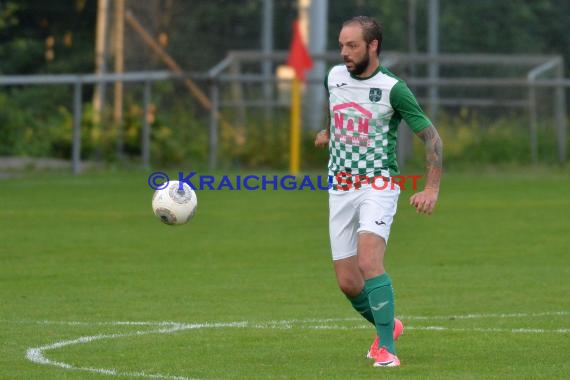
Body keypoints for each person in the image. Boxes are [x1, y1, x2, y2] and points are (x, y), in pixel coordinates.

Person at [314, 16, 443, 368]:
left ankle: (386, 349)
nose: (344, 52)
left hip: (378, 183)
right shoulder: (334, 77)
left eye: (352, 45)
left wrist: (430, 187)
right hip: (339, 186)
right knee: (347, 282)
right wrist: (329, 133)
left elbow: (432, 138)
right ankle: (391, 325)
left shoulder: (393, 88)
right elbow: (337, 110)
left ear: (373, 46)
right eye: (341, 45)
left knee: (369, 260)